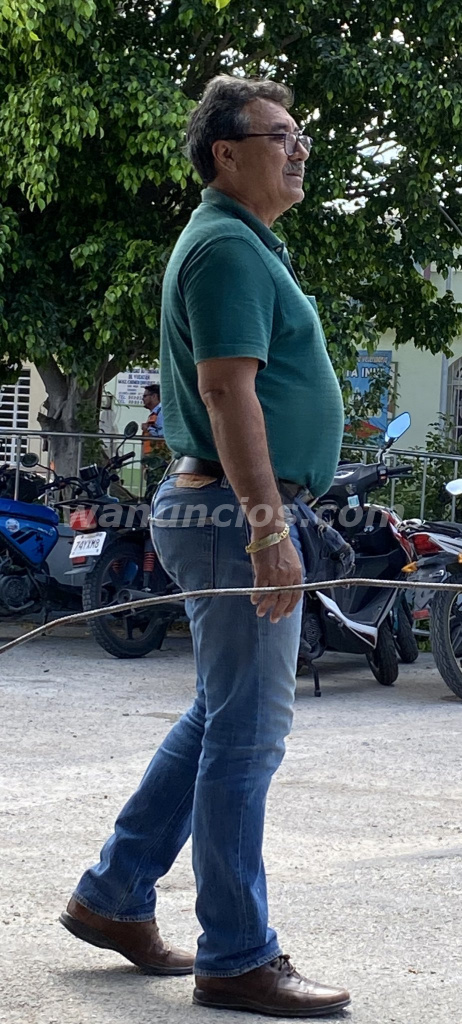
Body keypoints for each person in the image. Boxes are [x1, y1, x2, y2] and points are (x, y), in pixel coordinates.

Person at [60, 76, 350, 1018]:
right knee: (247, 736)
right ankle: (237, 955)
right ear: (227, 152)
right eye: (280, 136)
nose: (298, 149)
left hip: (222, 511)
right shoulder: (226, 246)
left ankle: (113, 896)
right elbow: (228, 391)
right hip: (233, 516)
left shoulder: (243, 243)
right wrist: (269, 529)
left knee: (220, 720)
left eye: (301, 136)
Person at [140, 384, 169, 499]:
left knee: (153, 492)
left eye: (145, 396)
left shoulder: (161, 412)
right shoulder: (155, 413)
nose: (143, 399)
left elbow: (163, 434)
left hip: (159, 459)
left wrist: (148, 429)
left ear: (154, 396)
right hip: (153, 459)